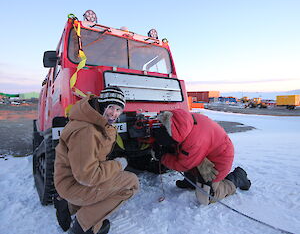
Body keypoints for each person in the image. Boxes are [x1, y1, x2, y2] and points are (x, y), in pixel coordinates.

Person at [54, 86, 139, 234]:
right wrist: (118, 165)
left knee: (112, 177)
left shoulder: (94, 121)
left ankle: (68, 206)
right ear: (102, 104)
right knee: (130, 183)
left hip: (71, 180)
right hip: (74, 184)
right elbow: (88, 176)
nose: (114, 113)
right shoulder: (87, 131)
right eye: (111, 107)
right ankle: (84, 225)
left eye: (119, 109)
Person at [152, 109, 251, 205]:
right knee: (187, 156)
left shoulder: (194, 142)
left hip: (219, 159)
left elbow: (183, 165)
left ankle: (238, 178)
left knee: (206, 198)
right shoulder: (182, 120)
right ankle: (192, 181)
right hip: (206, 152)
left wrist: (162, 157)